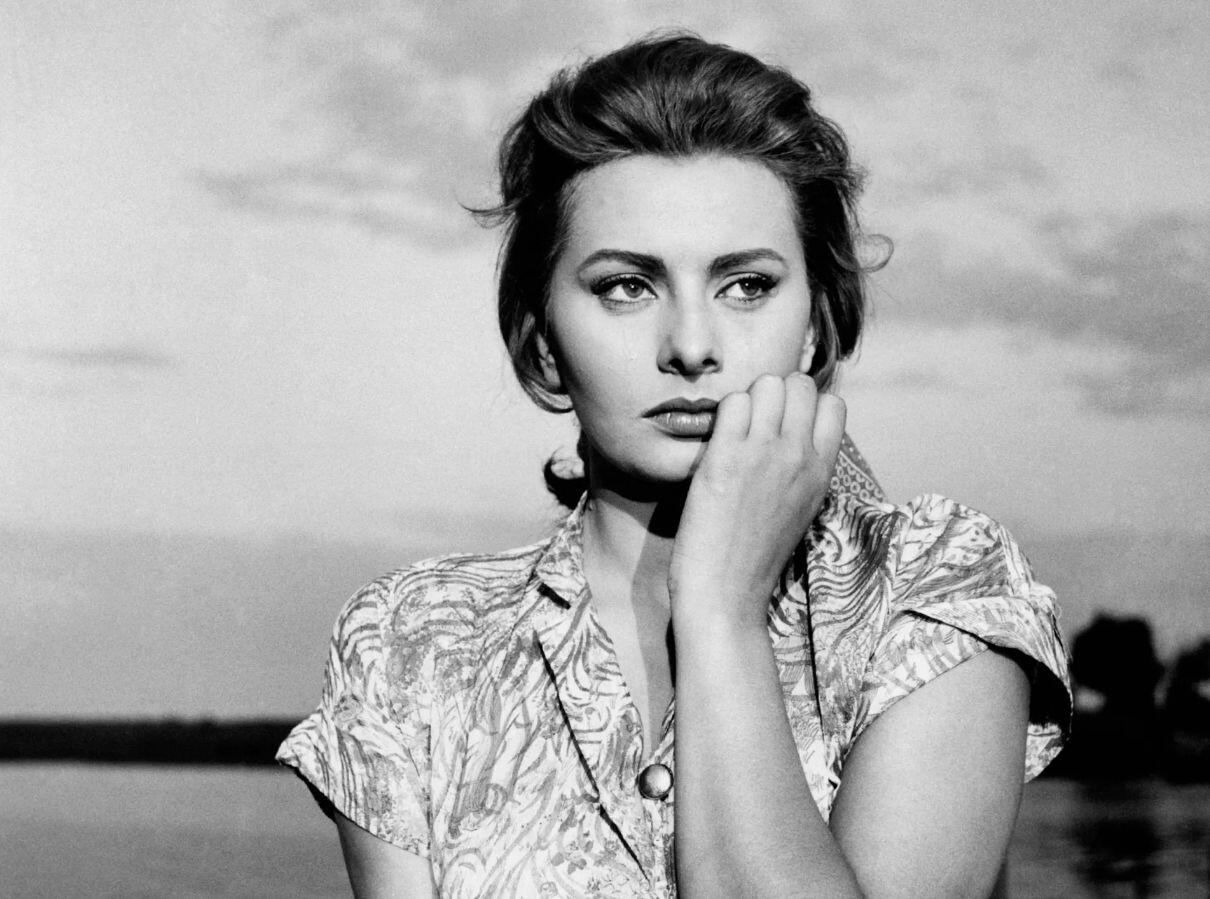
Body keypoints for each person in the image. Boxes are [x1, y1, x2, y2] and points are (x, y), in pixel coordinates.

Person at [278, 32, 1071, 898]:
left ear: (815, 328)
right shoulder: (416, 640)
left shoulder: (935, 587)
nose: (691, 346)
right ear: (542, 342)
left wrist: (722, 611)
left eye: (746, 285)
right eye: (626, 286)